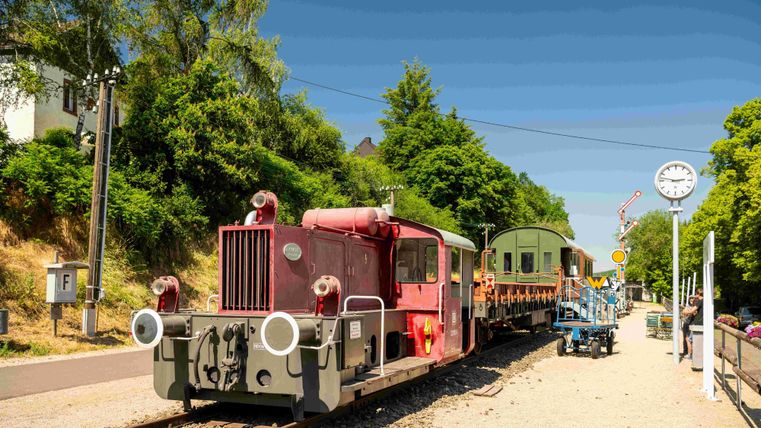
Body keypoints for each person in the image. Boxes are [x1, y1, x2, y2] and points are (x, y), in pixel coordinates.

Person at [682, 288, 704, 360]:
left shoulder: (700, 301)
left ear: (698, 294)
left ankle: (690, 355)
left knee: (689, 338)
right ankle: (695, 355)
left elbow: (692, 311)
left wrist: (685, 312)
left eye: (696, 294)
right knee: (695, 339)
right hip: (702, 323)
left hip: (697, 323)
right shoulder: (706, 301)